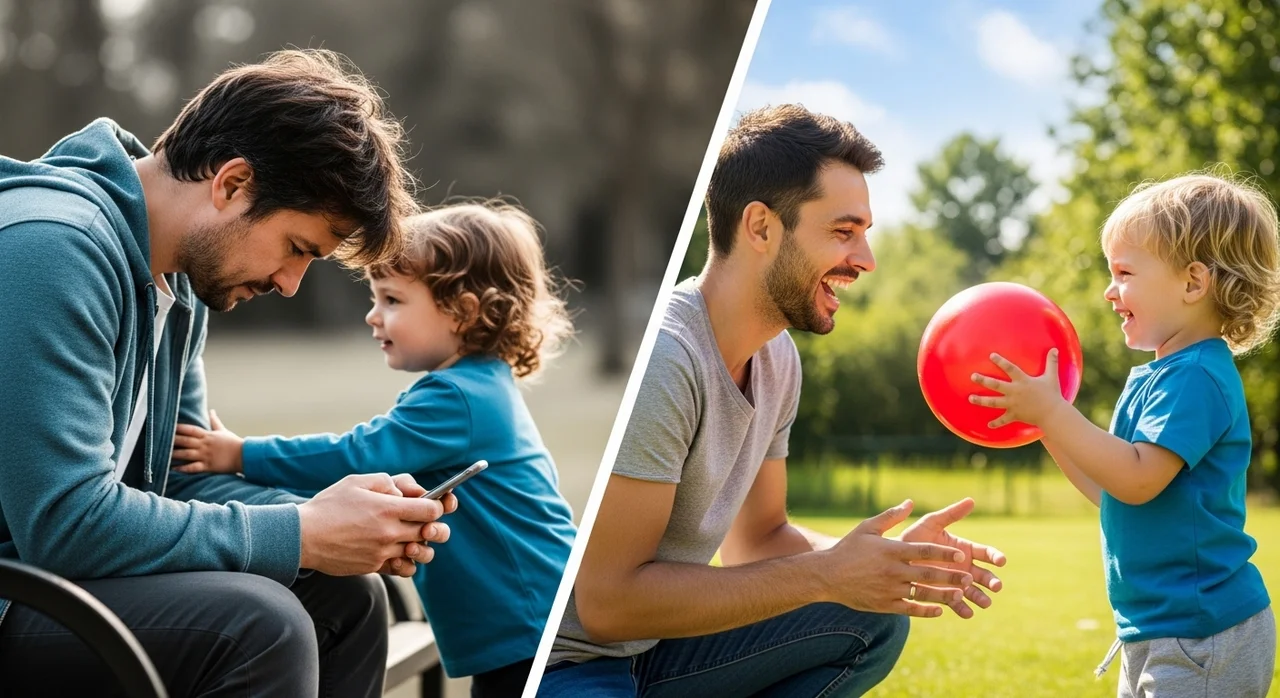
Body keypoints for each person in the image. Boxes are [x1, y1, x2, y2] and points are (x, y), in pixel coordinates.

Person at [0, 49, 456, 698]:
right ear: (232, 184)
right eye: (297, 248)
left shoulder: (177, 290)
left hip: (50, 585)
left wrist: (337, 520)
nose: (291, 284)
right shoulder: (54, 245)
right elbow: (66, 524)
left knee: (344, 595)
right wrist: (302, 532)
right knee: (260, 628)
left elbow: (180, 483)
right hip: (19, 588)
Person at [538, 104, 1008, 697]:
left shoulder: (777, 357)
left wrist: (885, 560)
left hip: (657, 654)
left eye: (865, 233)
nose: (865, 260)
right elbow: (607, 605)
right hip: (572, 665)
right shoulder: (667, 358)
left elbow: (758, 539)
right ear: (760, 227)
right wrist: (823, 573)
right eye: (843, 231)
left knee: (869, 621)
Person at [172, 202, 578, 697]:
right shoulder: (479, 385)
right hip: (528, 626)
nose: (372, 315)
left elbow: (356, 457)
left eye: (392, 300)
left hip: (530, 628)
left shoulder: (456, 397)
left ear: (463, 311)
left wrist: (239, 456)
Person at [972, 173, 1278, 698]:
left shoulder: (1196, 376)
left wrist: (1053, 414)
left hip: (1202, 634)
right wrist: (1047, 427)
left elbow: (1137, 480)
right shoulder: (1161, 376)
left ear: (1192, 282)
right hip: (1160, 627)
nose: (1110, 291)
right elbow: (1114, 492)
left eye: (1124, 272)